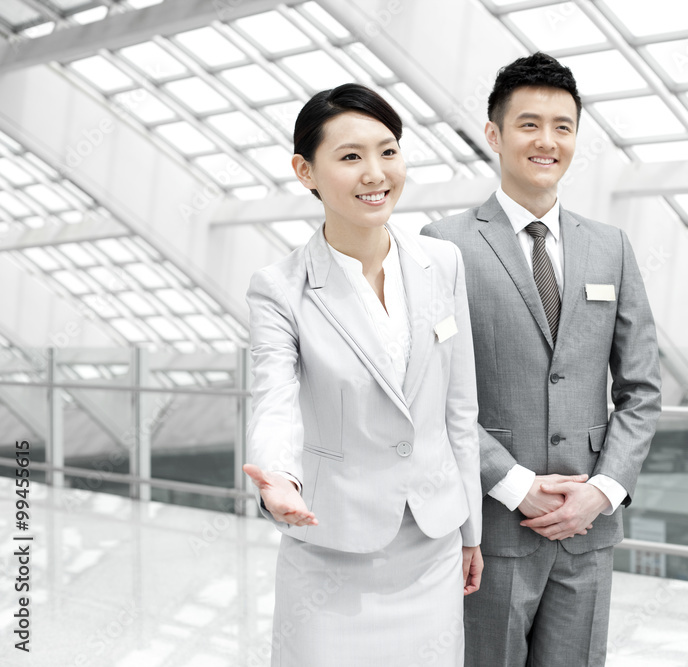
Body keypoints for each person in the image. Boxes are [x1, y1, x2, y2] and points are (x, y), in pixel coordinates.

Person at [422, 53, 662, 666]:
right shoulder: (443, 245)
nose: (547, 141)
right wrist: (515, 483)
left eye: (563, 126)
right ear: (495, 135)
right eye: (529, 124)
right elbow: (431, 389)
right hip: (493, 527)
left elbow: (641, 388)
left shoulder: (610, 247)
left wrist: (605, 490)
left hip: (588, 528)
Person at [242, 83, 483, 667]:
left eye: (388, 151)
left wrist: (471, 528)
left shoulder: (441, 263)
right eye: (351, 157)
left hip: (432, 542)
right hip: (332, 547)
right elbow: (274, 396)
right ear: (306, 171)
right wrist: (278, 479)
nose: (376, 173)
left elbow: (460, 408)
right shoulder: (280, 289)